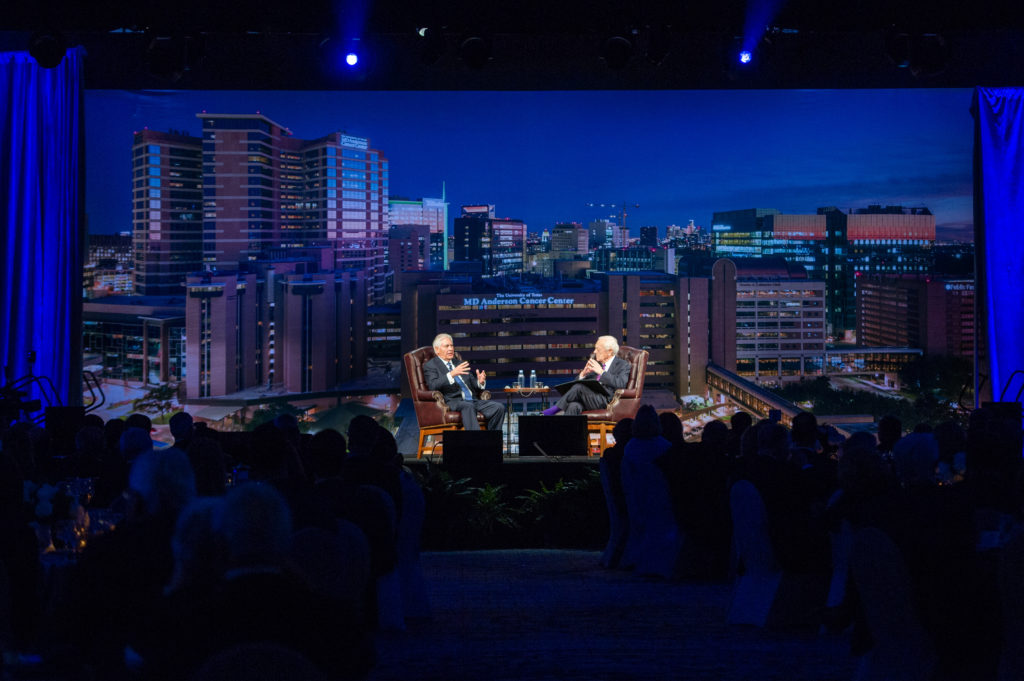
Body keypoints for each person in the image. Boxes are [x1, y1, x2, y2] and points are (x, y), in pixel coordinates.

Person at [423, 333, 505, 431]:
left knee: (499, 407)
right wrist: (451, 374)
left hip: (473, 400)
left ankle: (492, 439)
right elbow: (433, 385)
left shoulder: (460, 363)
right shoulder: (431, 365)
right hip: (454, 401)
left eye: (452, 345)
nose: (451, 349)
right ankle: (477, 440)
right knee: (468, 406)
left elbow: (473, 384)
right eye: (446, 346)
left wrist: (480, 382)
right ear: (437, 350)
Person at [543, 336, 630, 416]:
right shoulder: (597, 364)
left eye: (598, 349)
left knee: (579, 387)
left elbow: (621, 383)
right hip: (590, 399)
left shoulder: (623, 365)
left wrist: (601, 372)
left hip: (607, 401)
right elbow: (577, 386)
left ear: (609, 351)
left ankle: (553, 410)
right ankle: (566, 428)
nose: (595, 352)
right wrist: (583, 374)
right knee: (573, 405)